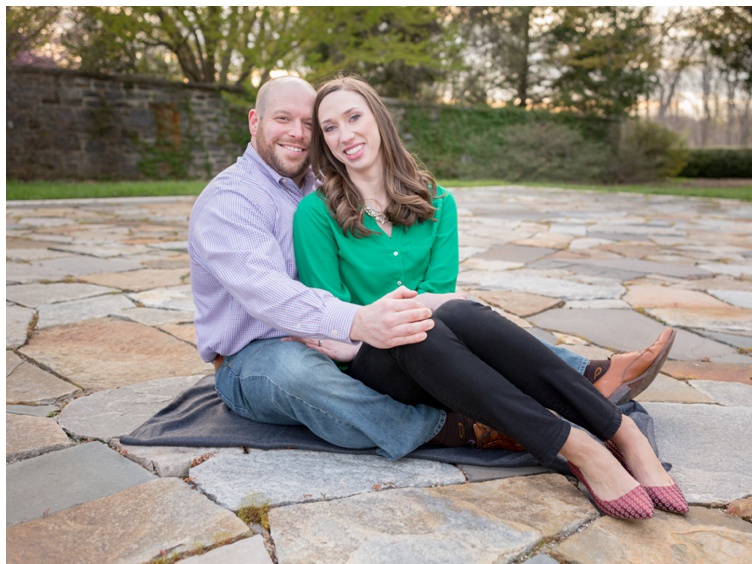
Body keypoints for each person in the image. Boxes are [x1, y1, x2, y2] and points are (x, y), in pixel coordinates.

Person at [187, 75, 673, 465]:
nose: (299, 132)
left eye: (308, 123)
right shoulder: (233, 200)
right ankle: (460, 429)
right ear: (255, 121)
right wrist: (357, 323)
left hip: (337, 333)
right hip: (256, 357)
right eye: (282, 119)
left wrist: (393, 314)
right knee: (298, 373)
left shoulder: (319, 181)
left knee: (461, 316)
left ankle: (585, 375)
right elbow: (268, 294)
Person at [292, 75, 686, 520]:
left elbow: (442, 300)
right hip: (376, 363)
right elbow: (338, 317)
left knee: (459, 315)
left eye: (353, 117)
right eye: (329, 128)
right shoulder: (315, 213)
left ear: (378, 119)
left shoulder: (437, 201)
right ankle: (579, 446)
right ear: (323, 141)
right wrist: (405, 312)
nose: (345, 135)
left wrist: (435, 305)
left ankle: (623, 432)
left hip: (444, 352)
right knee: (423, 328)